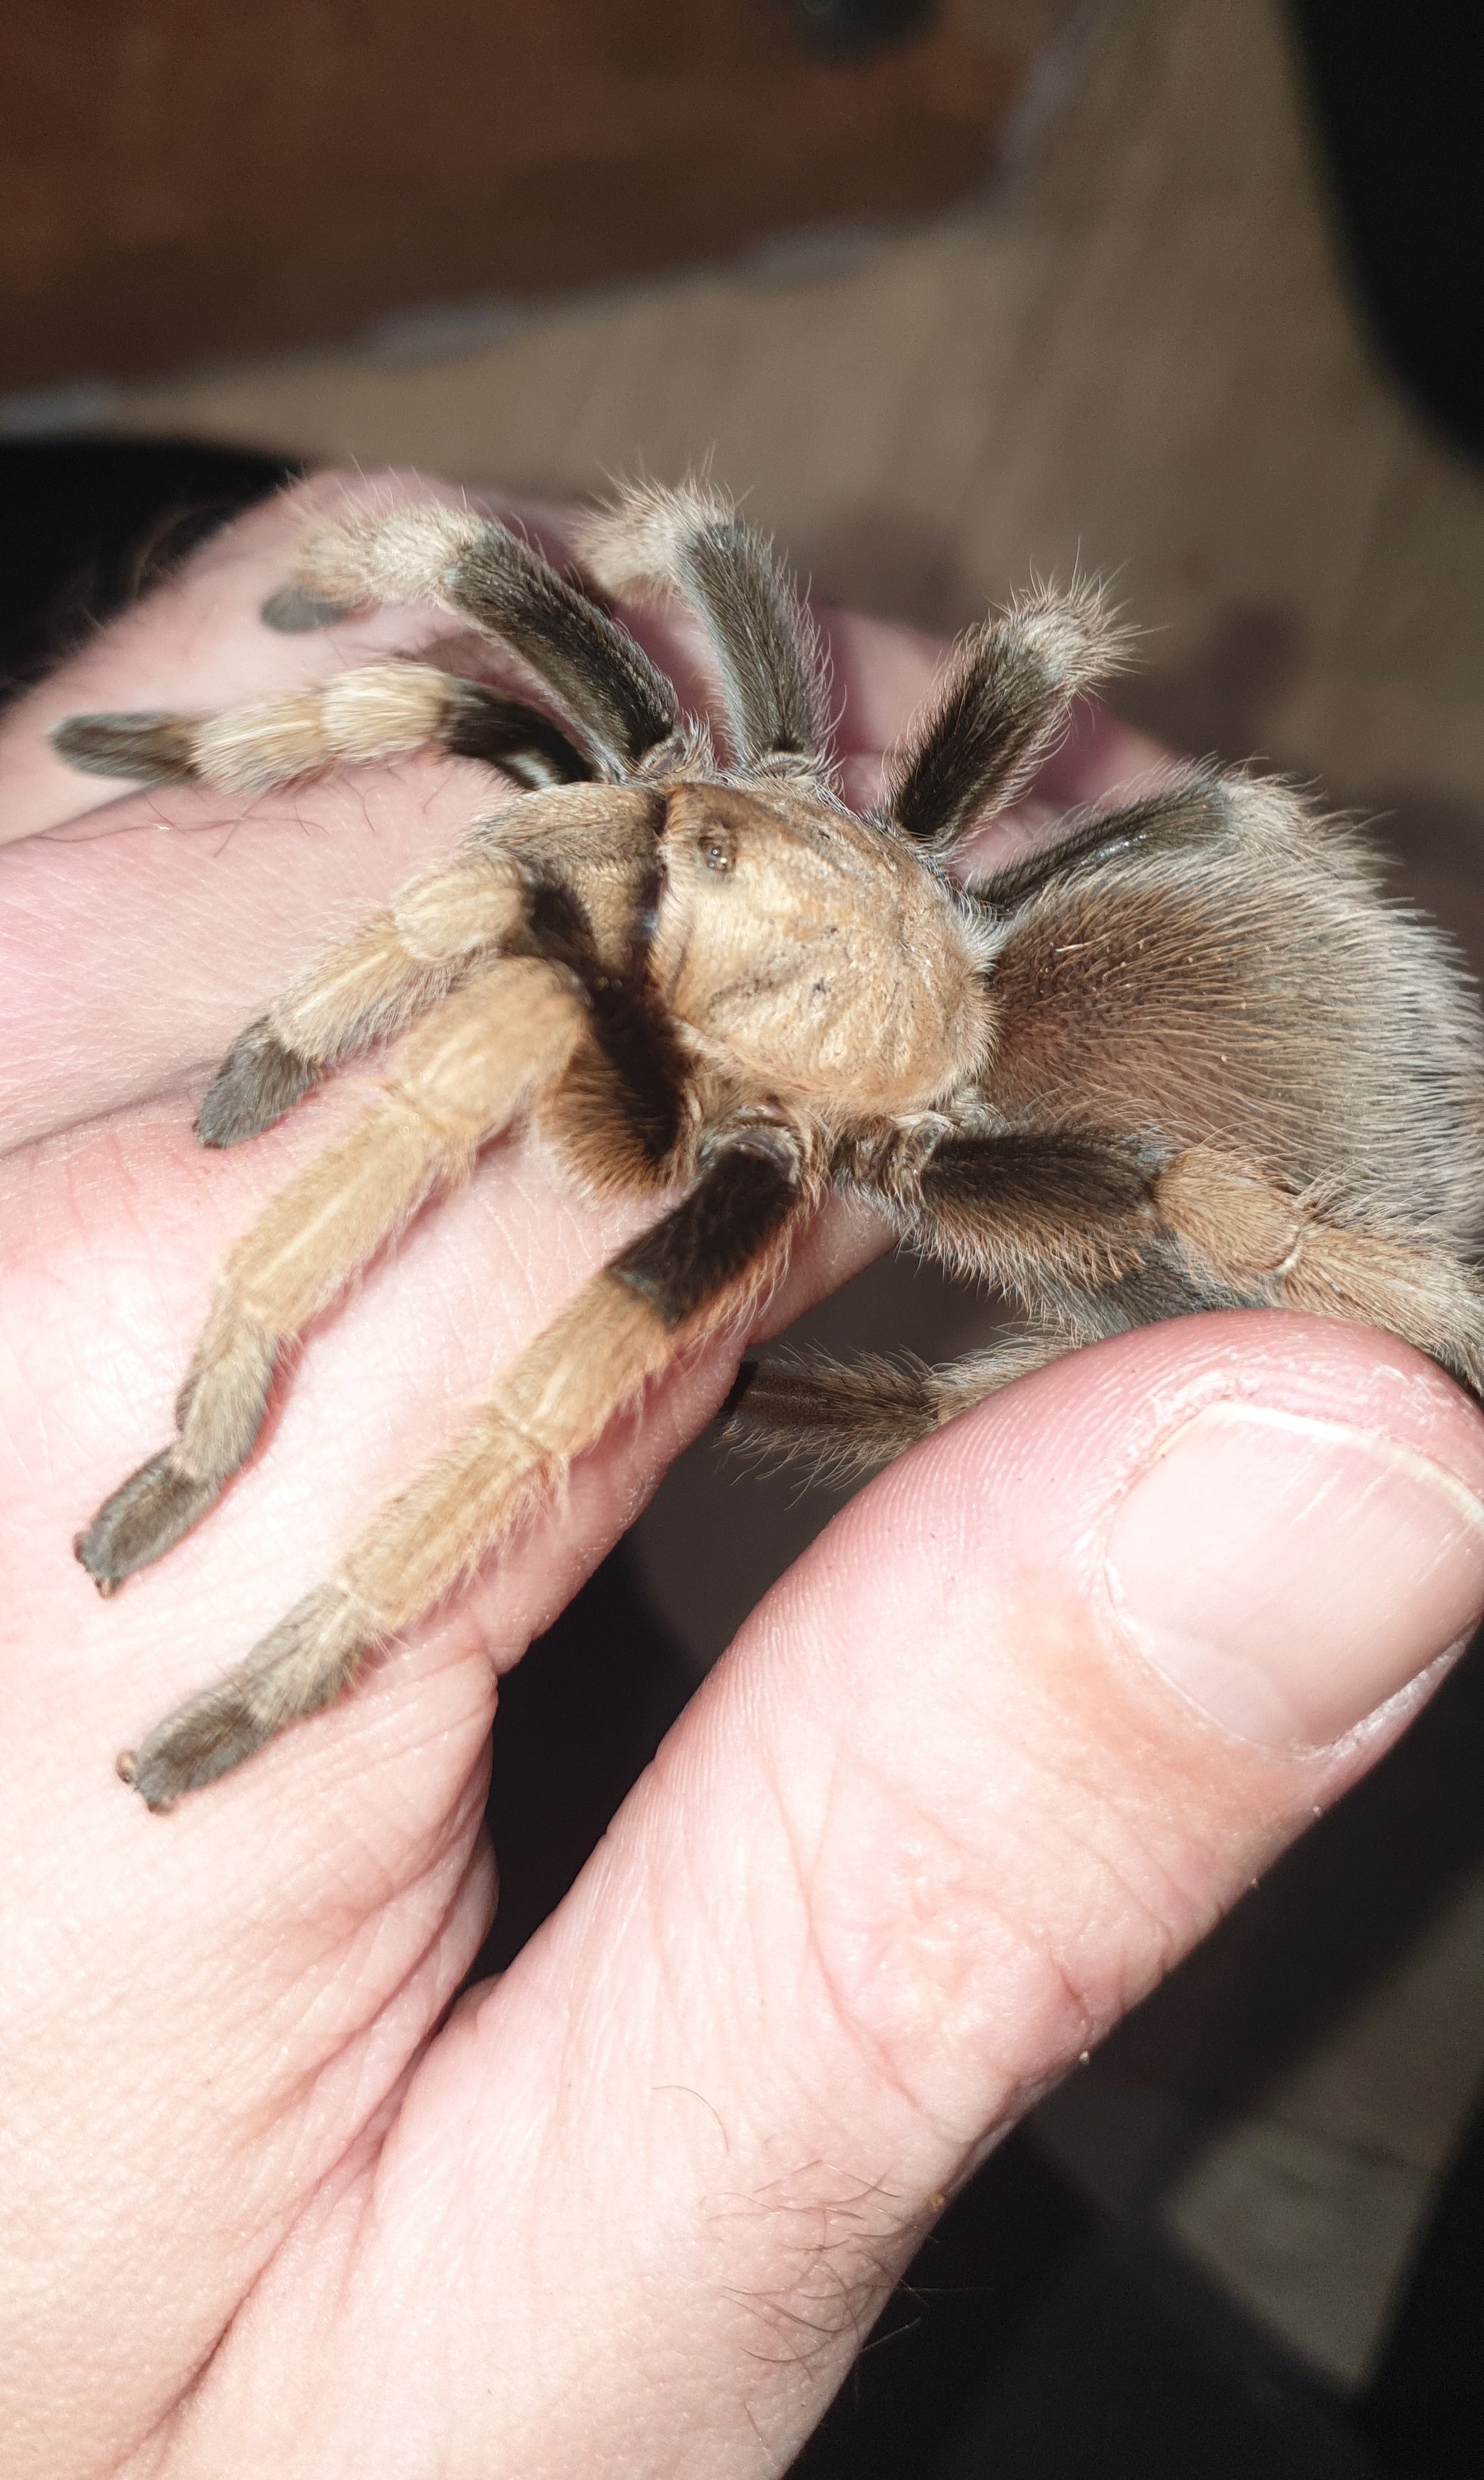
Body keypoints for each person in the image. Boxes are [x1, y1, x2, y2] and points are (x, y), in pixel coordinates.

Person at [2, 469, 1482, 2480]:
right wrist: (240, 733)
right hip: (1097, 912)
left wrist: (282, 1508)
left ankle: (323, 1608)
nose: (618, 827)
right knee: (488, 703)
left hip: (1099, 1057)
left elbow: (546, 1380)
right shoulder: (705, 788)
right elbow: (734, 561)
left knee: (596, 1273)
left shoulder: (714, 1020)